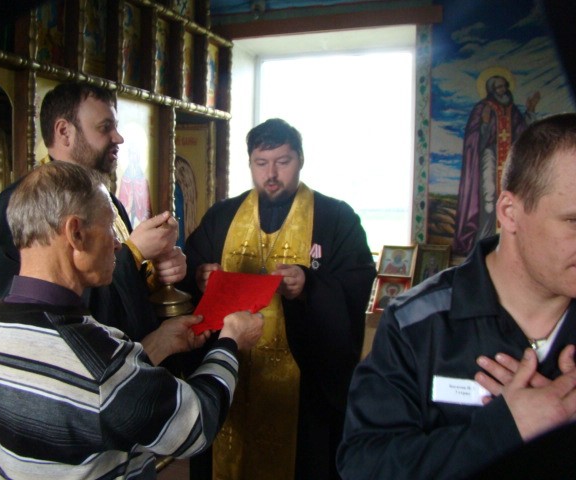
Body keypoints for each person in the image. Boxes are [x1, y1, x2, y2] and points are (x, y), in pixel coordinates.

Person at [0, 161, 264, 480]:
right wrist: (230, 342)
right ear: (76, 233)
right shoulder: (96, 361)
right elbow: (196, 424)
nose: (118, 243)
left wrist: (160, 342)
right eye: (109, 228)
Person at [337, 113, 576, 480]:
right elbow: (364, 465)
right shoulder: (416, 323)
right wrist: (502, 431)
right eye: (573, 221)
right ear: (510, 213)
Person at [182, 118, 377, 480]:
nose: (271, 174)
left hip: (301, 387)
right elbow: (189, 268)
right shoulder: (223, 216)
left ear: (300, 159)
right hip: (232, 372)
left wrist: (309, 286)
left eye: (282, 162)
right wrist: (199, 275)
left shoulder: (336, 218)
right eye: (261, 163)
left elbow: (357, 281)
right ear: (250, 163)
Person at [0, 82, 184, 344]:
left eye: (115, 127)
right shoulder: (22, 204)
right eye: (105, 127)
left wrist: (157, 271)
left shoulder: (107, 202)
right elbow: (40, 310)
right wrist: (133, 253)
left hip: (126, 358)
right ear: (64, 132)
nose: (118, 138)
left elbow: (122, 297)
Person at [453, 73, 540, 256]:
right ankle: (484, 245)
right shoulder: (482, 108)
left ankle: (511, 247)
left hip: (509, 159)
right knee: (488, 199)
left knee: (512, 200)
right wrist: (485, 124)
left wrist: (530, 110)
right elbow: (474, 139)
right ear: (491, 90)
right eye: (499, 87)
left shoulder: (511, 110)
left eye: (505, 86)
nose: (503, 90)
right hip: (489, 155)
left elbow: (524, 133)